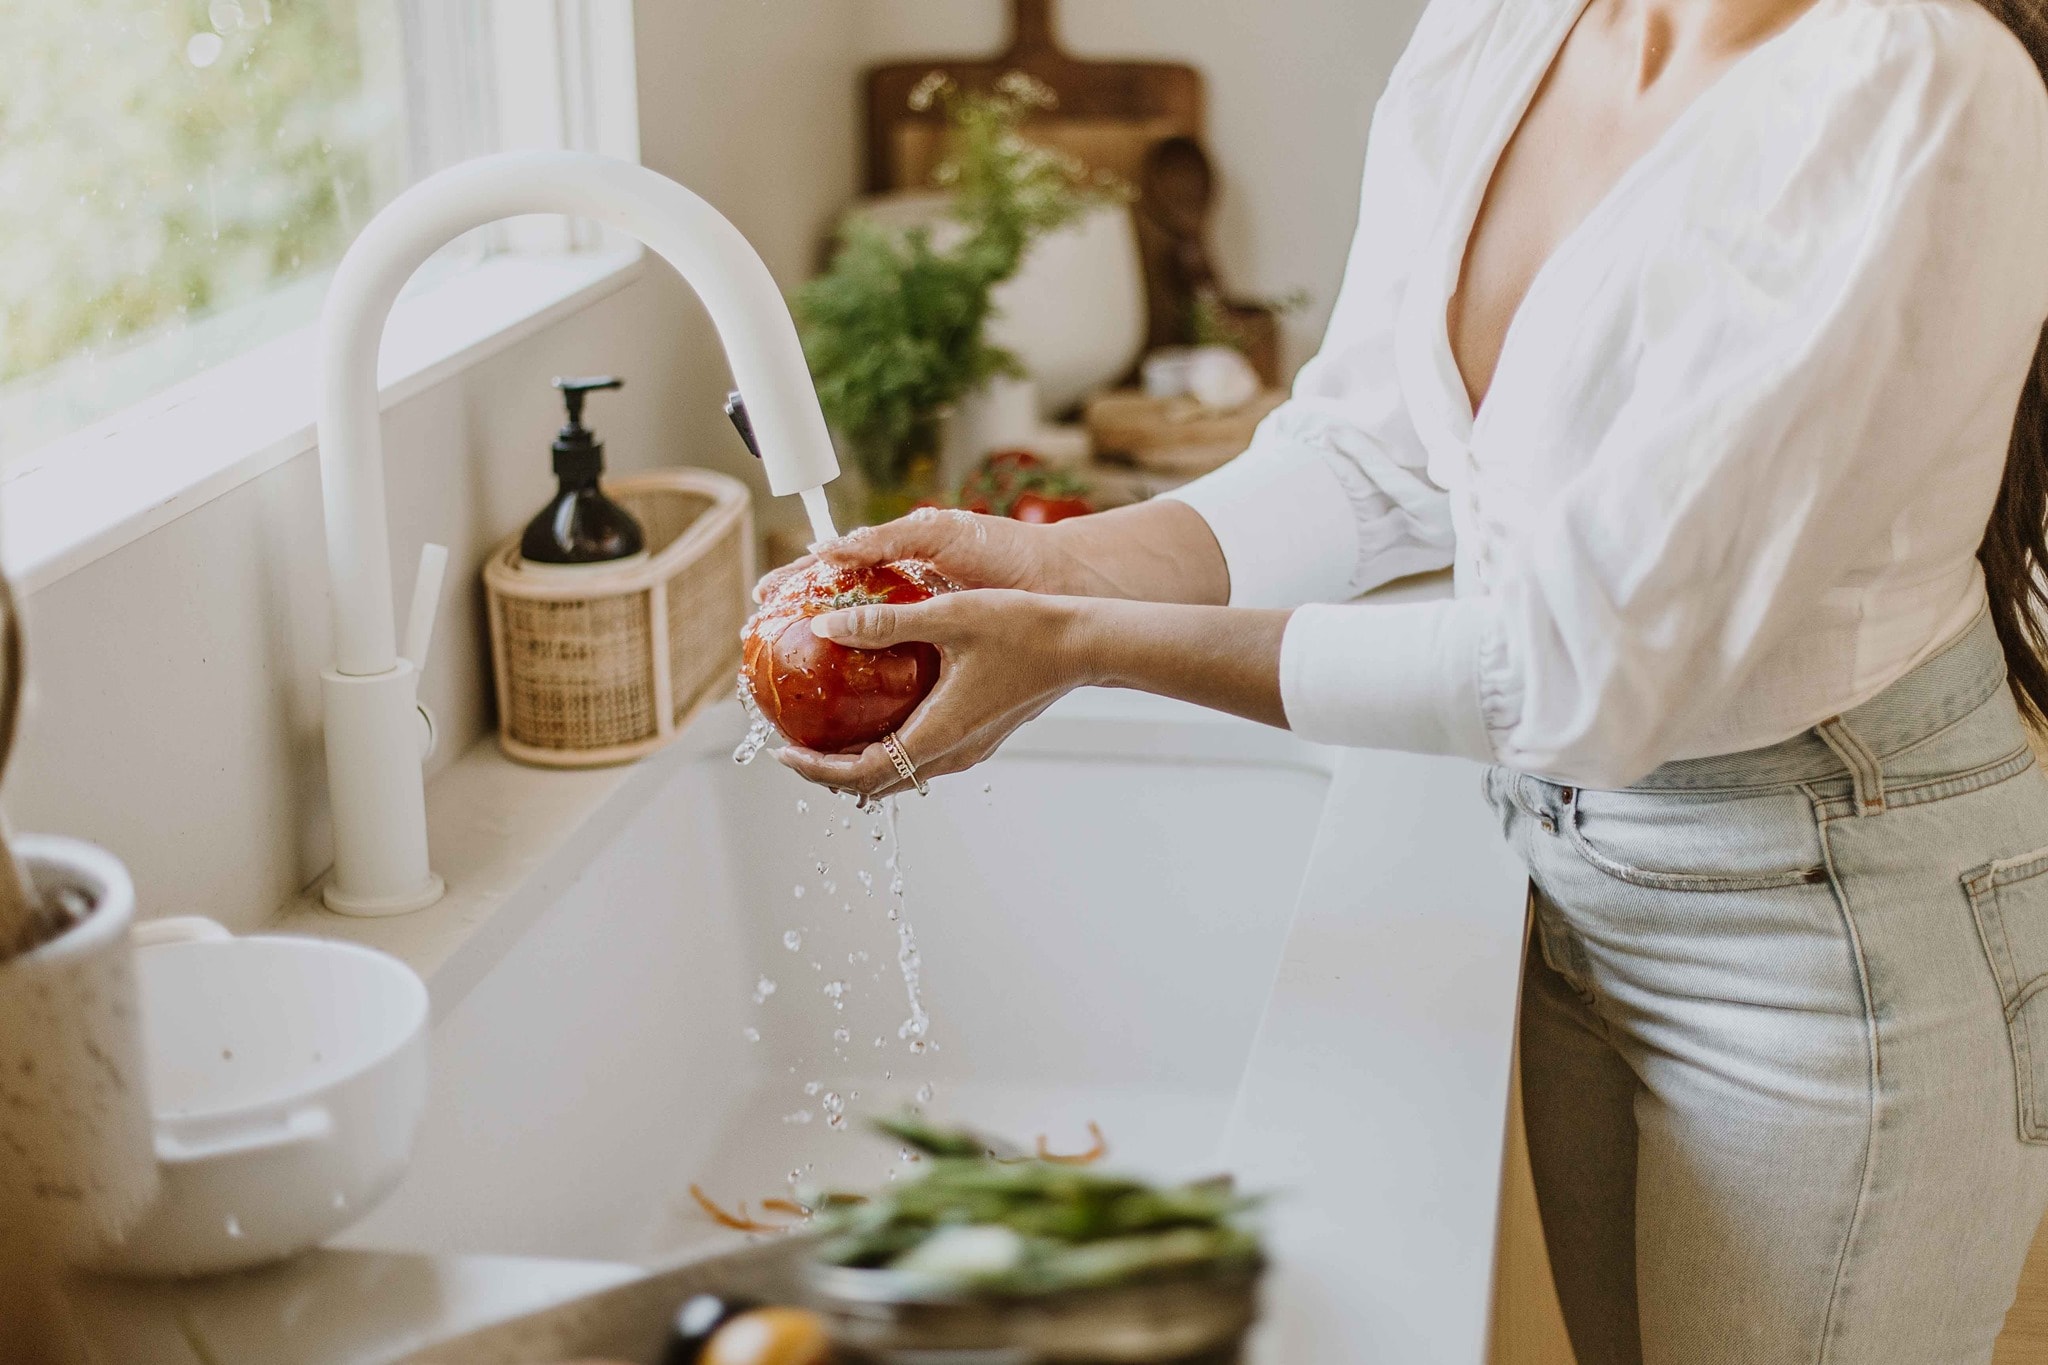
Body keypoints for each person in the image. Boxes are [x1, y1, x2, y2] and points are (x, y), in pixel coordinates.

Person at [763, 0, 2048, 1356]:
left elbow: (1584, 671)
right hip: (1577, 864)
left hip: (1831, 916)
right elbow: (1381, 452)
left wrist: (1083, 645)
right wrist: (1072, 571)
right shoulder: (1512, 23)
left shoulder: (1919, 82)